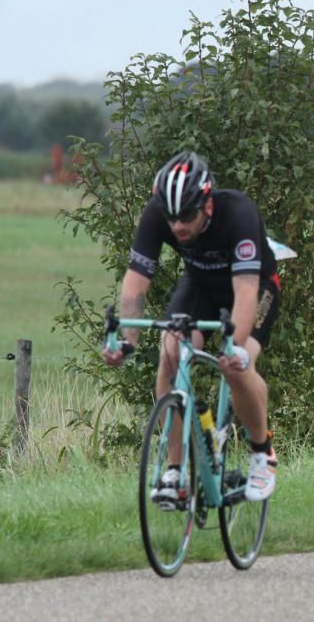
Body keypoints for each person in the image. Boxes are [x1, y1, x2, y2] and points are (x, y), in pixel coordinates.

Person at [101, 150, 281, 503]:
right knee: (169, 354)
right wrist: (128, 342)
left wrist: (234, 347)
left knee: (238, 363)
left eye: (187, 216)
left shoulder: (239, 213)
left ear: (207, 206)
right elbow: (137, 279)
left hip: (255, 286)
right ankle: (174, 471)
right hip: (200, 285)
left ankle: (263, 451)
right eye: (171, 217)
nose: (177, 226)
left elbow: (245, 292)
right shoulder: (157, 214)